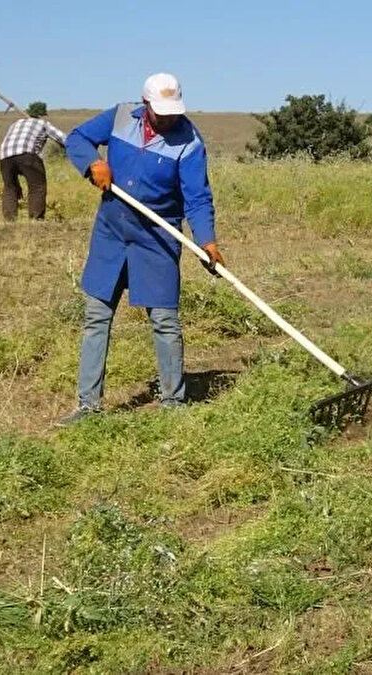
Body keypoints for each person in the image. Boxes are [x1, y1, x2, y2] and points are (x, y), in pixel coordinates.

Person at [56, 73, 223, 426]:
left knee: (164, 320)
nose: (167, 118)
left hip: (157, 236)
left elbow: (197, 198)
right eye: (160, 111)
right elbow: (78, 138)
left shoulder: (190, 142)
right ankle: (88, 406)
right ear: (145, 104)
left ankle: (173, 404)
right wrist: (93, 164)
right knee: (96, 315)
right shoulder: (119, 116)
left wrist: (206, 240)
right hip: (111, 231)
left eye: (173, 111)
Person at [0, 102, 65, 221]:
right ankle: (36, 219)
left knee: (10, 187)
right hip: (27, 155)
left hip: (5, 157)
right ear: (42, 115)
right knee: (37, 186)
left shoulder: (16, 123)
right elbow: (63, 139)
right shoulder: (43, 124)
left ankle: (9, 220)